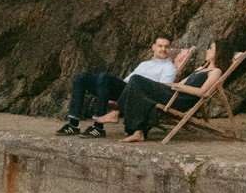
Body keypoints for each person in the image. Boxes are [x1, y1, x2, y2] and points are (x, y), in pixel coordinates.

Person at [95, 39, 237, 142]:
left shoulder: (216, 71)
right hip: (174, 93)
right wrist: (159, 85)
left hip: (180, 100)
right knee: (137, 83)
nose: (207, 50)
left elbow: (202, 93)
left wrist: (177, 87)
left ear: (219, 52)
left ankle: (116, 114)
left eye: (210, 48)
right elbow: (178, 83)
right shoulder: (201, 68)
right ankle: (137, 131)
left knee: (136, 80)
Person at [57, 38, 192, 138]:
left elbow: (160, 89)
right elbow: (127, 80)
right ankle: (73, 123)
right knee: (80, 76)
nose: (163, 49)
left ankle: (98, 126)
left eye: (167, 47)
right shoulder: (144, 64)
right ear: (153, 47)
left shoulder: (169, 68)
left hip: (140, 94)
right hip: (126, 91)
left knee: (104, 77)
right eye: (160, 46)